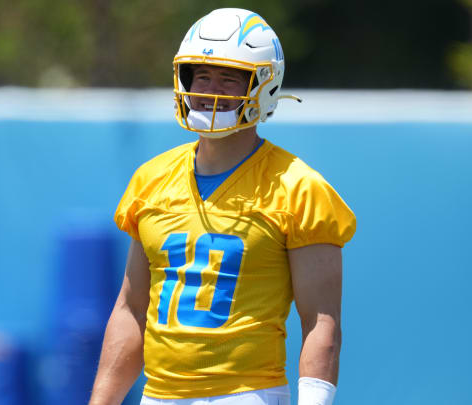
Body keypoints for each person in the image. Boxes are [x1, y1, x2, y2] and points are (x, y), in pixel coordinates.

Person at [88, 8, 355, 405]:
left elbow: (320, 321)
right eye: (202, 75)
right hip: (158, 395)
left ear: (264, 84)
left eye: (229, 78)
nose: (211, 89)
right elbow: (131, 310)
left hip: (246, 394)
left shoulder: (298, 187)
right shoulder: (151, 179)